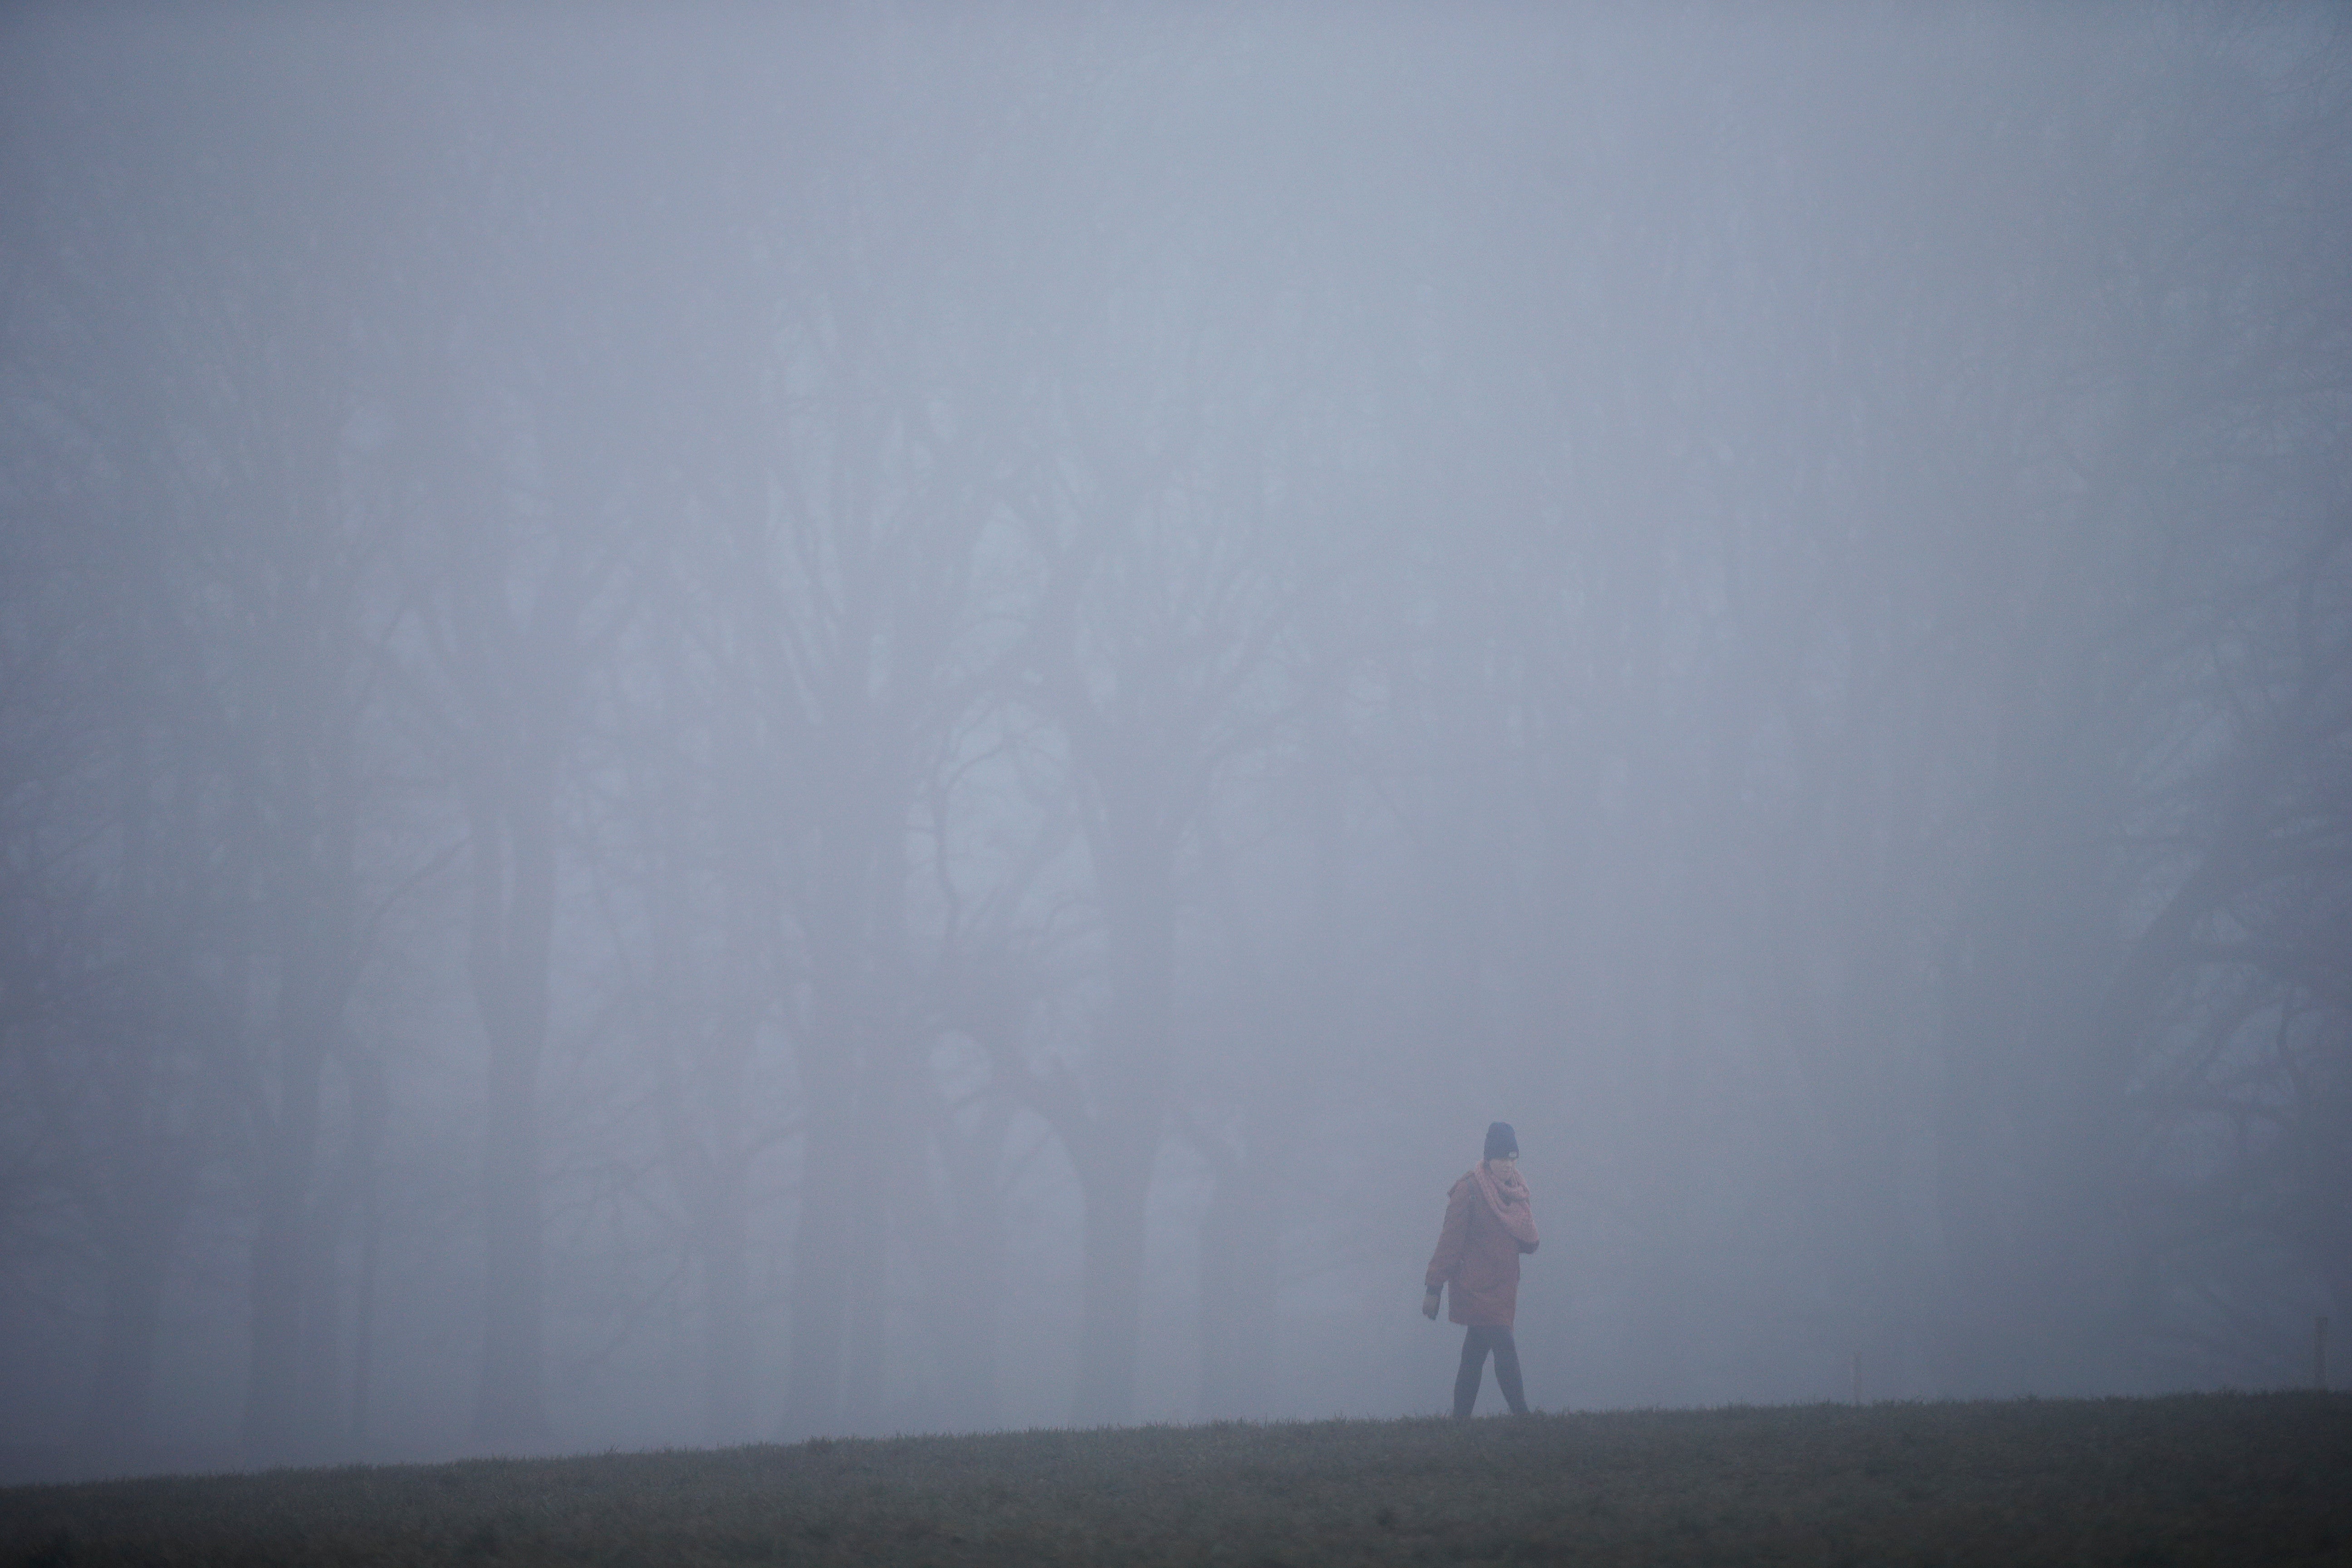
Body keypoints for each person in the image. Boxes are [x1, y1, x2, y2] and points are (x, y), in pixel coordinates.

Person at [1423, 1121, 1539, 1418]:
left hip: (1504, 1289)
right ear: (1489, 1159)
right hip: (1475, 1289)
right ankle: (1524, 1418)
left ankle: (1459, 1422)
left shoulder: (1515, 1192)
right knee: (1505, 1346)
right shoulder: (1469, 1191)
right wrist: (1434, 1288)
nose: (1508, 1165)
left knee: (1473, 1356)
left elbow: (1528, 1243)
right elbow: (1449, 1243)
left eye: (1513, 1159)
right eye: (1502, 1159)